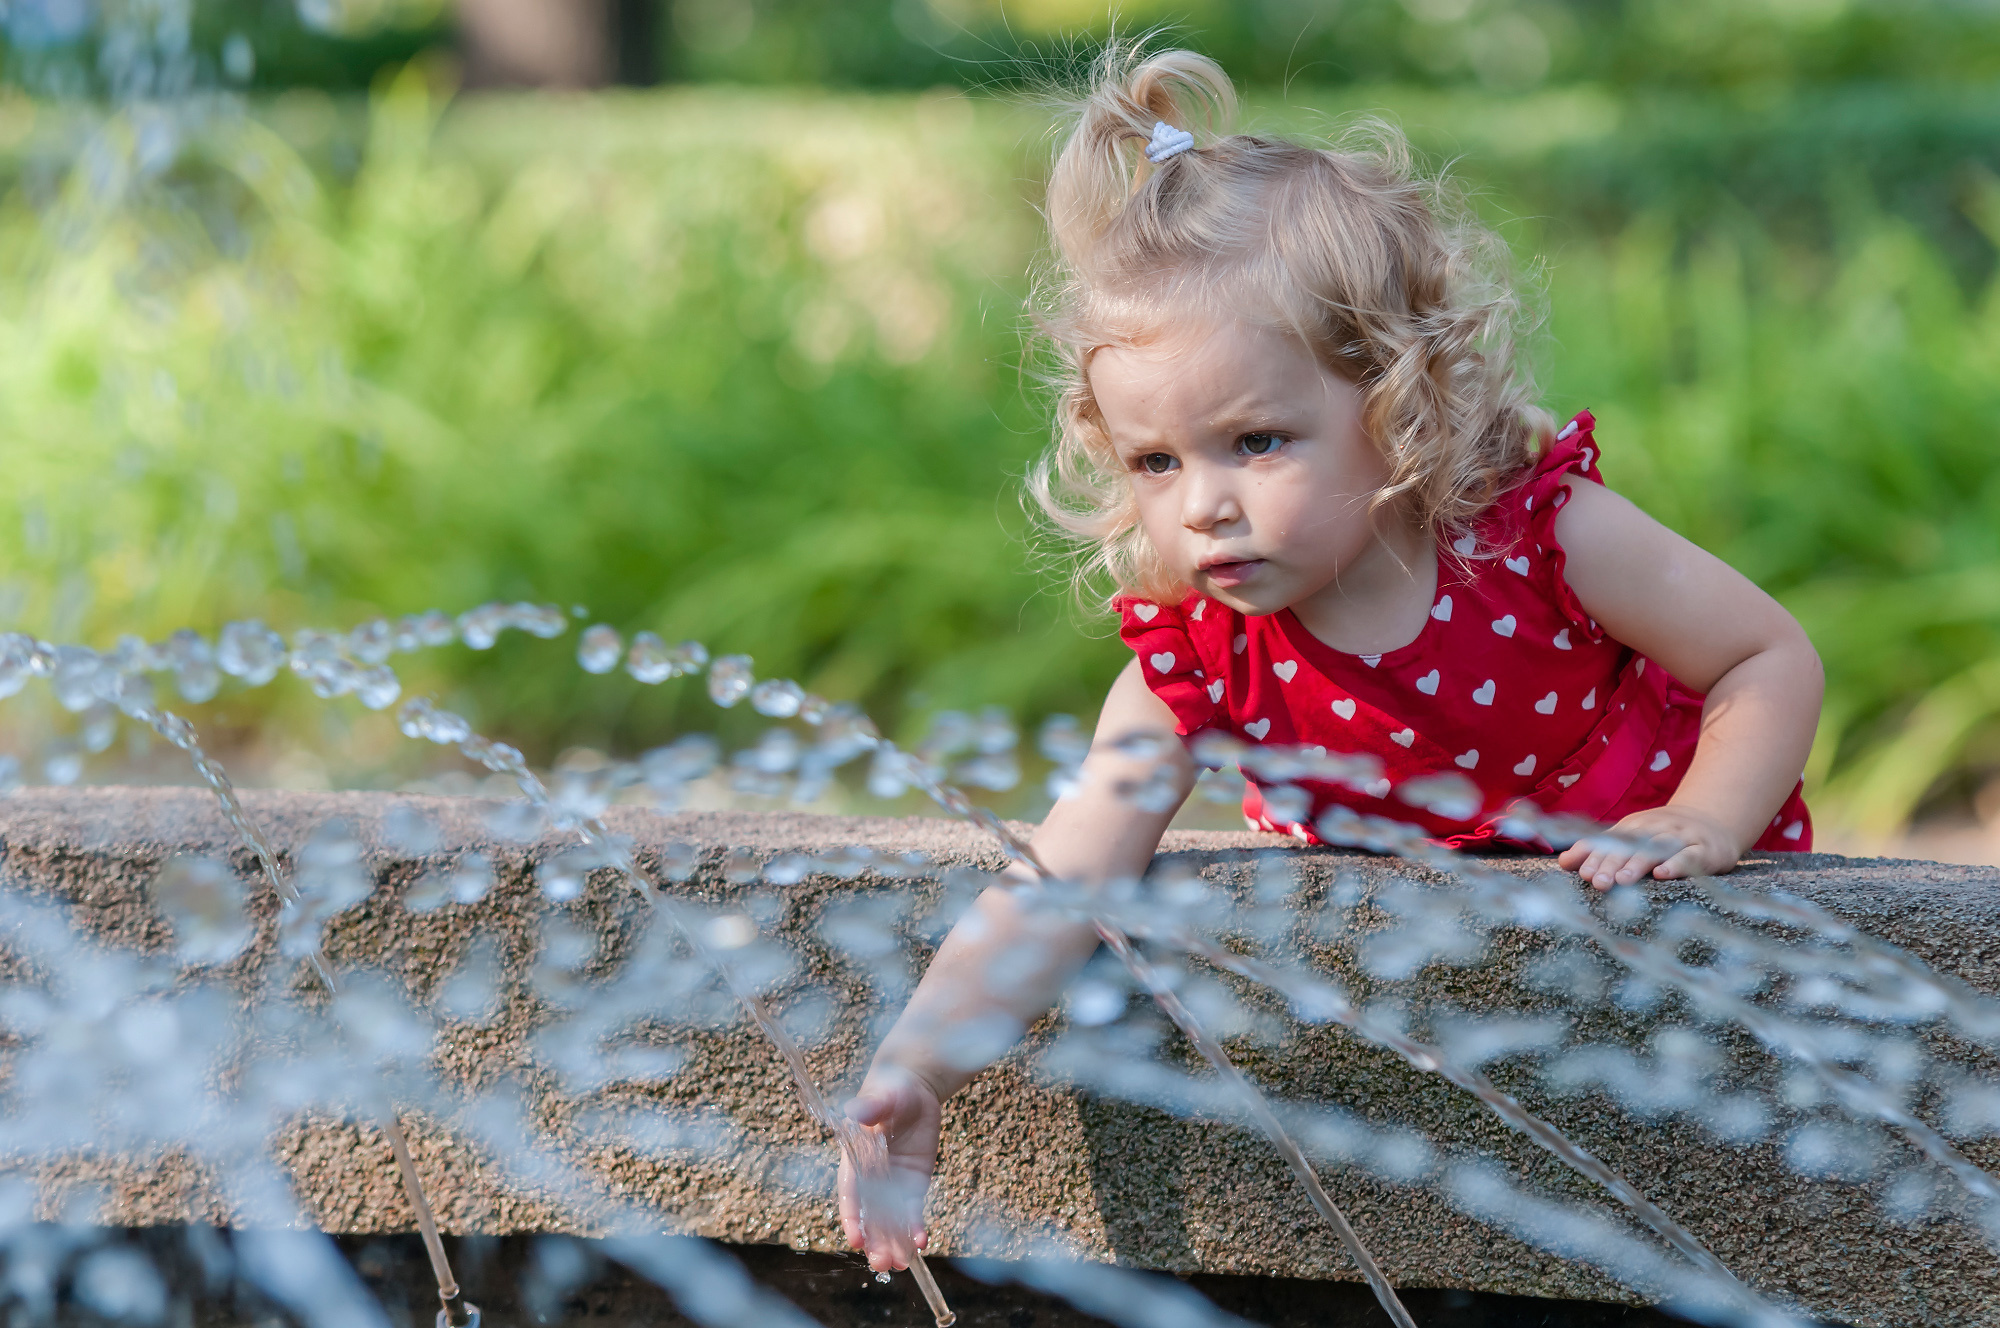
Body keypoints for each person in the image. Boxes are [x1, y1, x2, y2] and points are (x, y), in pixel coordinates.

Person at [835, 45, 1823, 1271]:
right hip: (1425, 1059)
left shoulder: (1533, 539)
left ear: (1395, 398)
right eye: (1156, 461)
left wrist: (1701, 816)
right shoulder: (1198, 662)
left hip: (1656, 985)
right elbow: (1060, 877)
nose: (1201, 505)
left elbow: (1762, 654)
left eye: (1256, 440)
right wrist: (919, 1059)